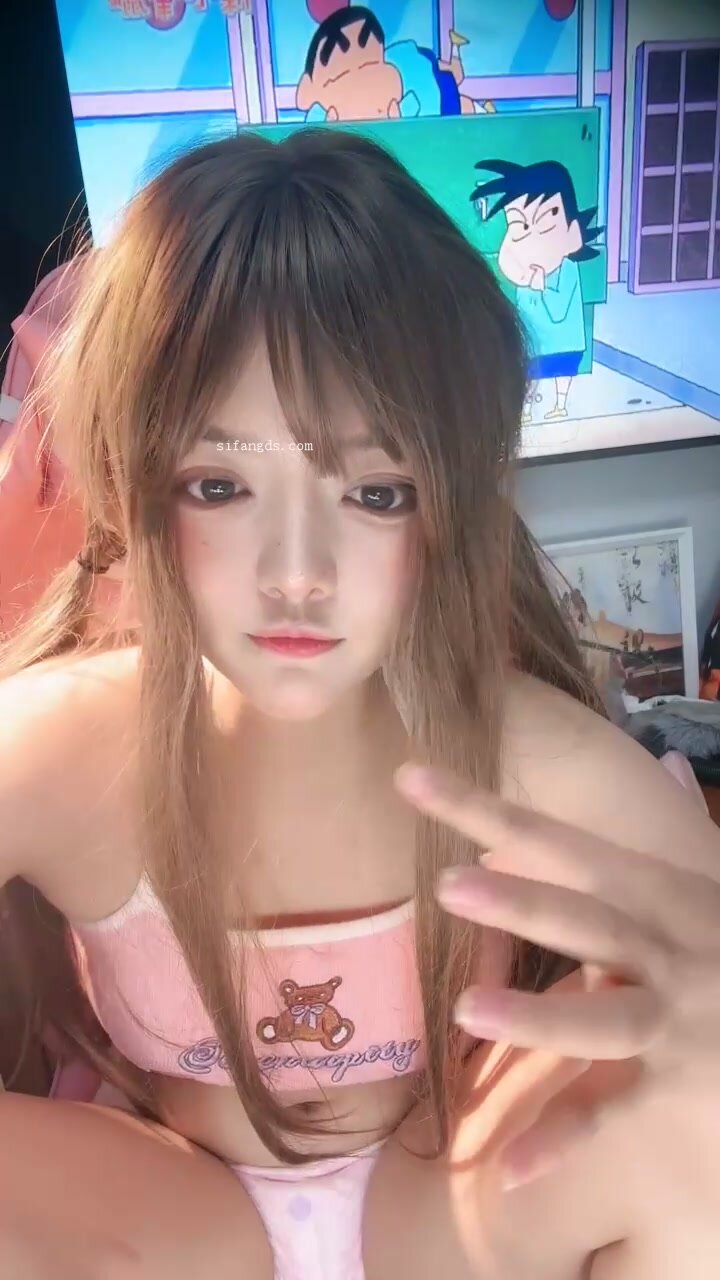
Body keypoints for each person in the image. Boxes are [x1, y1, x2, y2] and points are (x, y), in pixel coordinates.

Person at [0, 128, 719, 1279]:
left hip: (450, 1217)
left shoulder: (522, 755)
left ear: (451, 506)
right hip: (164, 1223)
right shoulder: (66, 745)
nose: (298, 571)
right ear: (131, 484)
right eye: (221, 484)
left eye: (376, 491)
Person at [472, 158, 602, 424]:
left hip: (564, 343)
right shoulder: (524, 277)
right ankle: (528, 409)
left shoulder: (567, 270)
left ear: (573, 232)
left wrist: (541, 289)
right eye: (519, 227)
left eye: (544, 224)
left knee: (561, 373)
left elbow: (559, 310)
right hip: (535, 347)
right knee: (530, 374)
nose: (530, 241)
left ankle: (560, 405)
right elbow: (522, 317)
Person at [297, 6, 494, 123]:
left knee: (462, 102)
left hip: (444, 111)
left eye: (371, 64)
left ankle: (484, 112)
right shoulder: (318, 122)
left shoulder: (407, 72)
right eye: (340, 75)